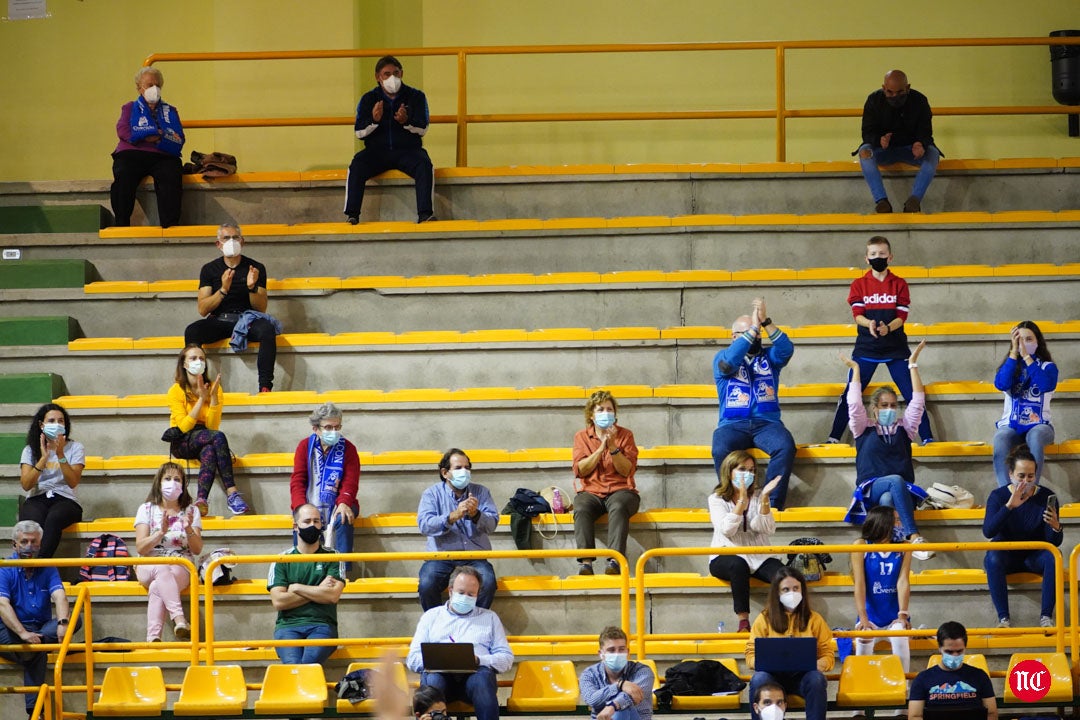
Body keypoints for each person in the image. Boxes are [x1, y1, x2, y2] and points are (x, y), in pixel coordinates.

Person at [828, 236, 933, 444]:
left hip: (896, 348)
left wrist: (888, 328)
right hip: (866, 348)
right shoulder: (858, 284)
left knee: (913, 393)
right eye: (874, 254)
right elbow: (857, 315)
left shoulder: (900, 284)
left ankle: (928, 438)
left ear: (890, 257)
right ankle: (833, 438)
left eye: (882, 254)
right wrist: (870, 324)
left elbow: (901, 316)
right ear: (866, 258)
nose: (878, 257)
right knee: (850, 393)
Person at [840, 339, 934, 559]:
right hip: (870, 488)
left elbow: (918, 401)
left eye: (893, 405)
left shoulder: (906, 428)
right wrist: (856, 370)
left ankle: (890, 550)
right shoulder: (862, 427)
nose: (890, 409)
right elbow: (853, 404)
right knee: (893, 481)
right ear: (874, 408)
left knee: (887, 500)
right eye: (884, 405)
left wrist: (912, 365)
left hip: (901, 492)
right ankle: (913, 537)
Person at [711, 296, 796, 510]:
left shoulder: (770, 357)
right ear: (734, 337)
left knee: (785, 446)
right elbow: (729, 363)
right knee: (720, 448)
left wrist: (765, 322)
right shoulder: (722, 357)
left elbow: (786, 349)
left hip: (767, 424)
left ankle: (771, 503)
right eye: (749, 332)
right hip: (732, 425)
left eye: (757, 332)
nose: (755, 335)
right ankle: (729, 500)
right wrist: (753, 330)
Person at [405, 566, 514, 720]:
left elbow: (506, 659)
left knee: (482, 680)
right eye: (461, 593)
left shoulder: (490, 618)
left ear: (477, 595)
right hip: (440, 678)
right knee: (433, 680)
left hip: (476, 677)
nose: (465, 597)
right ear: (451, 591)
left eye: (471, 594)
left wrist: (479, 660)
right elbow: (412, 659)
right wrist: (435, 660)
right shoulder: (431, 617)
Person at [183, 223, 280, 393]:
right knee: (192, 331)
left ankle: (265, 387)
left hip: (246, 320)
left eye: (235, 237)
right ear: (218, 244)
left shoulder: (255, 268)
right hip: (219, 320)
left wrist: (252, 287)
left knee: (267, 330)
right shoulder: (209, 269)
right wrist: (223, 289)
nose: (231, 241)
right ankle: (197, 385)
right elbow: (203, 309)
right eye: (226, 238)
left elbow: (261, 308)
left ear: (242, 242)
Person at [0, 521, 81, 719]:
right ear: (14, 545)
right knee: (37, 650)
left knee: (74, 620)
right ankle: (35, 711)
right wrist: (23, 633)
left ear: (41, 544)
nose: (29, 547)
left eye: (34, 542)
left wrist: (62, 623)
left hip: (40, 628)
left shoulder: (48, 567)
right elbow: (2, 604)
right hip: (10, 630)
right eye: (24, 542)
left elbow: (60, 596)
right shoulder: (4, 568)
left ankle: (34, 714)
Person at [345, 55, 435, 224]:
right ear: (378, 77)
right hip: (377, 152)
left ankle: (425, 214)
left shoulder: (416, 96)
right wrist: (374, 120)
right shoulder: (368, 99)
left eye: (396, 73)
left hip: (408, 151)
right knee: (357, 165)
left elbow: (423, 129)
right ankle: (352, 215)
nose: (392, 78)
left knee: (424, 164)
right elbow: (359, 132)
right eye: (386, 74)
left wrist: (406, 121)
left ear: (402, 74)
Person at [982, 444, 1062, 628]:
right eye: (1021, 476)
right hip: (1006, 555)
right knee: (992, 557)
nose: (1026, 481)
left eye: (1030, 476)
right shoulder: (998, 496)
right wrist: (1009, 506)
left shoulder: (1047, 496)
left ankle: (1046, 617)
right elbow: (988, 531)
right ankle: (1003, 619)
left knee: (1054, 556)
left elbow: (1054, 542)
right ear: (1010, 474)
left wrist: (1056, 527)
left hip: (1034, 556)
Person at [165, 344, 249, 516]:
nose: (199, 361)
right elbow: (184, 426)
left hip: (206, 435)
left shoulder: (214, 388)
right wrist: (201, 399)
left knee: (210, 449)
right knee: (217, 437)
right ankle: (232, 492)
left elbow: (212, 427)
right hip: (182, 440)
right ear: (184, 364)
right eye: (193, 358)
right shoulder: (176, 390)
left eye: (201, 358)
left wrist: (213, 399)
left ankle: (201, 500)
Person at [708, 450, 784, 633]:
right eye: (742, 469)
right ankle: (743, 622)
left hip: (758, 554)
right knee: (738, 565)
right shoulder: (716, 499)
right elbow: (727, 529)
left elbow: (766, 528)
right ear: (729, 471)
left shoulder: (758, 496)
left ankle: (777, 620)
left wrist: (764, 499)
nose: (747, 474)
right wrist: (741, 502)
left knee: (784, 575)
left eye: (751, 470)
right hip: (725, 554)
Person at [417, 449, 499, 610]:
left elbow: (492, 525)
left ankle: (474, 621)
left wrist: (476, 515)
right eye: (458, 468)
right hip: (440, 557)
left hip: (474, 557)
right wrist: (452, 516)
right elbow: (425, 525)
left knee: (488, 583)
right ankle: (438, 621)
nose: (464, 472)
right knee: (427, 584)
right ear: (445, 472)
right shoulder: (431, 494)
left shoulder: (481, 492)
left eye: (467, 468)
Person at [745, 567, 832, 720]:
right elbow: (750, 653)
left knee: (817, 679)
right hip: (772, 677)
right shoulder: (764, 619)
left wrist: (819, 664)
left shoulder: (815, 619)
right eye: (786, 589)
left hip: (803, 678)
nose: (792, 593)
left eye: (796, 588)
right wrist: (761, 663)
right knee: (758, 679)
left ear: (802, 590)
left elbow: (827, 654)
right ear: (777, 592)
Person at [572, 390, 641, 576]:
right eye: (600, 409)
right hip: (592, 491)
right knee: (581, 506)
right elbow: (580, 470)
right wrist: (599, 449)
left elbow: (626, 470)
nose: (606, 413)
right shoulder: (581, 437)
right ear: (591, 415)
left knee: (618, 506)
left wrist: (612, 448)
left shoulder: (625, 435)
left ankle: (614, 560)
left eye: (609, 409)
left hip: (622, 490)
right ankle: (586, 563)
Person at [133, 462, 202, 642]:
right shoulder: (146, 509)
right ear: (159, 482)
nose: (173, 483)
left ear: (183, 484)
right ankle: (179, 619)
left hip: (181, 565)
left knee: (157, 586)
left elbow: (197, 549)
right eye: (168, 478)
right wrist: (160, 533)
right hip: (149, 564)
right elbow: (140, 547)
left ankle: (153, 639)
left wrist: (188, 529)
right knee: (161, 567)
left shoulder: (192, 510)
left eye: (177, 479)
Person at [268, 503, 345, 664]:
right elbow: (279, 601)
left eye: (316, 521)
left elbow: (332, 596)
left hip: (322, 625)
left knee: (308, 665)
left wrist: (296, 588)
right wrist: (318, 590)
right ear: (295, 526)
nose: (313, 525)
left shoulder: (334, 556)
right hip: (288, 626)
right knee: (294, 666)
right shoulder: (281, 559)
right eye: (307, 521)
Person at [856, 69, 940, 214]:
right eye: (890, 92)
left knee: (933, 153)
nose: (895, 96)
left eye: (900, 92)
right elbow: (867, 132)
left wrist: (920, 143)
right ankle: (882, 201)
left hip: (912, 151)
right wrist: (879, 140)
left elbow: (926, 131)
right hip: (883, 150)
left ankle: (914, 200)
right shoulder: (873, 100)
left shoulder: (920, 100)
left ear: (908, 88)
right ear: (884, 88)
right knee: (864, 152)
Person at [110, 66, 184, 227]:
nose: (154, 89)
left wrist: (157, 137)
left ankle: (170, 226)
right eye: (150, 85)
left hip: (162, 155)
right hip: (132, 153)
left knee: (171, 173)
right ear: (139, 88)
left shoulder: (170, 111)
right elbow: (123, 130)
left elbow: (178, 136)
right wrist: (145, 136)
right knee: (123, 174)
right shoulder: (129, 107)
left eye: (158, 85)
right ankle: (121, 224)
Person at [290, 402, 360, 572]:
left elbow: (351, 482)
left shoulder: (348, 448)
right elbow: (298, 480)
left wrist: (343, 502)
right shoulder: (304, 446)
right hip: (309, 501)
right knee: (303, 520)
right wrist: (301, 507)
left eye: (337, 427)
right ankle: (302, 569)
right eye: (328, 427)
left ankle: (341, 571)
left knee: (343, 516)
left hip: (339, 502)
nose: (333, 432)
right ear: (316, 429)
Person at [992, 321, 1058, 487]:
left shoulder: (1048, 367)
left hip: (1040, 425)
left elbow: (1045, 385)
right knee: (1000, 437)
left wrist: (1027, 358)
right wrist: (1014, 353)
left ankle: (1031, 489)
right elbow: (1001, 384)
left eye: (1028, 339)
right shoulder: (1010, 366)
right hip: (1012, 425)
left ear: (1037, 342)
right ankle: (1006, 491)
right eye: (1019, 339)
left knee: (1035, 436)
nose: (1023, 344)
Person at [18, 403, 84, 559]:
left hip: (66, 499)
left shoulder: (76, 447)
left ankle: (39, 564)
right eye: (52, 421)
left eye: (61, 421)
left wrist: (60, 454)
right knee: (32, 522)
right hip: (37, 497)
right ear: (42, 425)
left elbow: (73, 482)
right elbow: (26, 485)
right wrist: (43, 459)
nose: (57, 424)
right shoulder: (30, 450)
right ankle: (29, 562)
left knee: (55, 517)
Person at [851, 506, 912, 673]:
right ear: (884, 523)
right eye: (897, 520)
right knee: (864, 637)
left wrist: (902, 614)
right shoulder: (861, 545)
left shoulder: (904, 547)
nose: (900, 525)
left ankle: (903, 683)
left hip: (893, 615)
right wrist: (863, 617)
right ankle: (862, 683)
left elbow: (903, 581)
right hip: (870, 615)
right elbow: (859, 583)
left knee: (900, 636)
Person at [908, 621, 997, 720]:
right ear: (939, 648)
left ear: (965, 648)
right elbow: (914, 716)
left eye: (959, 651)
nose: (955, 655)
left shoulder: (980, 676)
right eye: (949, 652)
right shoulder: (922, 679)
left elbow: (991, 714)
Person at [579, 626, 655, 720]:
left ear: (628, 652)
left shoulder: (643, 671)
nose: (617, 654)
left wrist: (613, 706)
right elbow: (591, 700)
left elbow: (635, 694)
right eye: (611, 650)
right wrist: (619, 685)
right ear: (601, 654)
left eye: (621, 649)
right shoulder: (589, 674)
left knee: (622, 709)